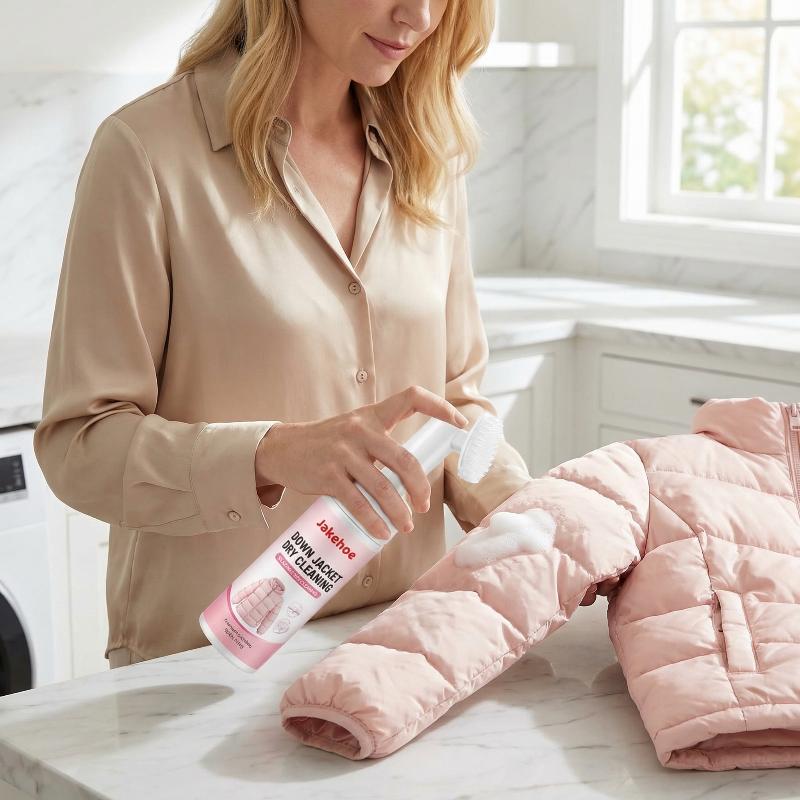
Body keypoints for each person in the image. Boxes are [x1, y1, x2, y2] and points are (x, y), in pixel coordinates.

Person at [34, 0, 612, 671]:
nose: (420, 16)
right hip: (204, 668)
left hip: (395, 650)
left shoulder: (429, 151)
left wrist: (528, 518)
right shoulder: (147, 153)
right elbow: (81, 445)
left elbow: (454, 404)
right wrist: (270, 454)